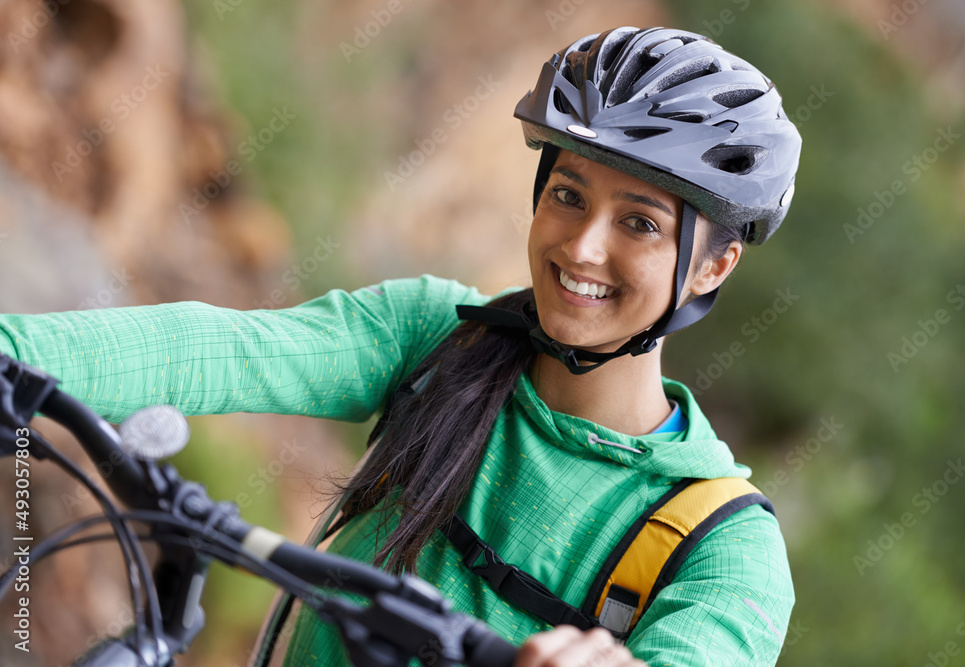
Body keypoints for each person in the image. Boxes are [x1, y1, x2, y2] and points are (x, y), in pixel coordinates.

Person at [0, 26, 801, 666]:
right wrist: (14, 351)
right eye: (568, 195)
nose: (583, 248)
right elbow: (221, 349)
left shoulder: (725, 546)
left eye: (639, 223)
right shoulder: (436, 338)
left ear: (713, 263)